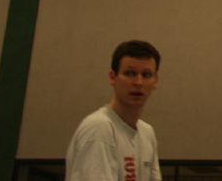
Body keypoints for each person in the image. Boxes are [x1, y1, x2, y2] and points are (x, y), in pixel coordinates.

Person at [66, 40, 162, 181]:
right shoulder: (99, 128)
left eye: (146, 75)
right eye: (130, 73)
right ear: (112, 77)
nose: (138, 82)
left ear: (155, 81)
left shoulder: (147, 133)